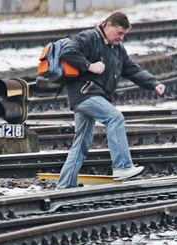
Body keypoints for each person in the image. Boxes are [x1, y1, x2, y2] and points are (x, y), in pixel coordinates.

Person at [56, 12, 166, 189]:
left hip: (92, 95)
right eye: (119, 33)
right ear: (107, 25)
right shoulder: (90, 37)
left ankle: (65, 185)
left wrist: (153, 83)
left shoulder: (117, 49)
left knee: (82, 142)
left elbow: (132, 70)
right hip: (85, 94)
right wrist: (89, 66)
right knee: (115, 118)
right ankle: (122, 166)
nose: (121, 38)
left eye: (124, 34)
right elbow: (67, 51)